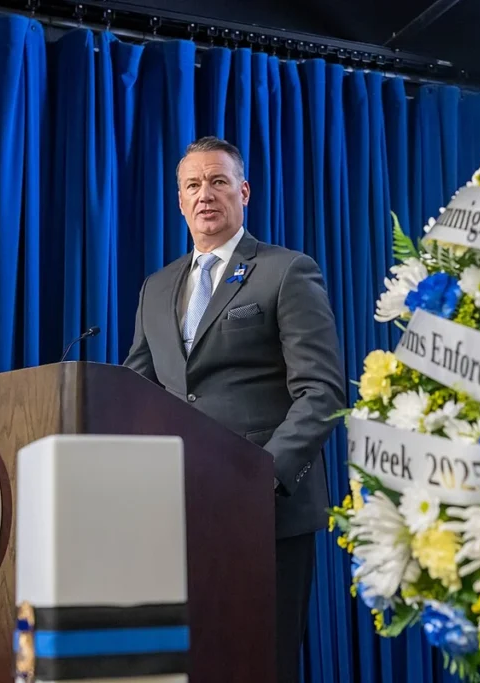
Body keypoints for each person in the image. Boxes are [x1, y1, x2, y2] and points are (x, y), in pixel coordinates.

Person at [124, 136, 346, 683]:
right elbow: (134, 392)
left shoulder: (286, 271)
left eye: (219, 181)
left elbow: (322, 392)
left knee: (258, 665)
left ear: (243, 191)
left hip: (263, 515)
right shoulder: (155, 289)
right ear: (179, 200)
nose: (206, 194)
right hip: (178, 514)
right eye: (193, 185)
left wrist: (259, 478)